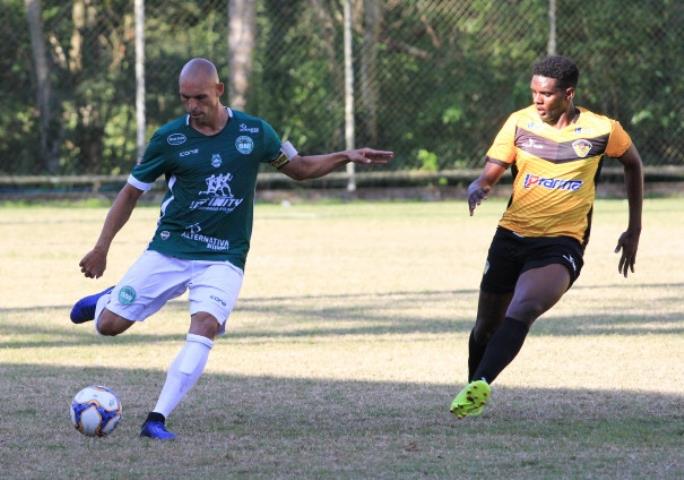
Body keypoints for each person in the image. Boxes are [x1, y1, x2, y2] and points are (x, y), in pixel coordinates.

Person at [70, 57, 393, 440]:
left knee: (205, 325)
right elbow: (129, 195)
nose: (192, 107)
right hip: (171, 249)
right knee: (108, 327)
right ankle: (108, 300)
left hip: (224, 256)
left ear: (219, 91)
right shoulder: (169, 138)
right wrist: (101, 247)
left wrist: (347, 155)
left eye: (200, 98)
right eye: (185, 98)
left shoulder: (254, 132)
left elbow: (300, 168)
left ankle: (156, 418)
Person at [450, 55, 643, 418]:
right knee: (486, 326)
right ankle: (471, 387)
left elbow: (633, 163)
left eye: (547, 94)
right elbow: (493, 170)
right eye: (534, 92)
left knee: (524, 307)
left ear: (568, 94)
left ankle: (481, 385)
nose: (538, 100)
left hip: (562, 242)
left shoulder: (603, 130)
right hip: (510, 236)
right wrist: (481, 184)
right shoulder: (519, 123)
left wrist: (635, 228)